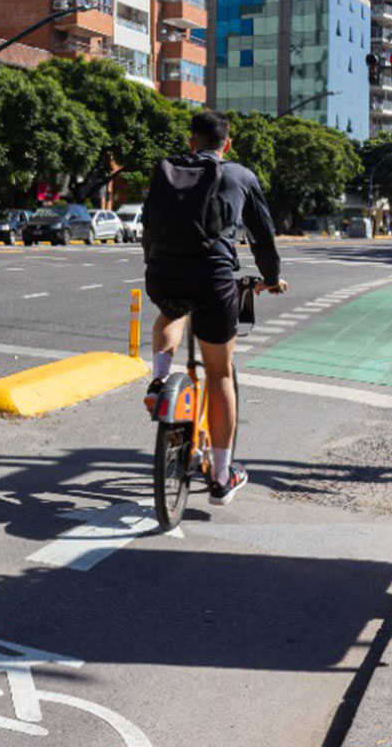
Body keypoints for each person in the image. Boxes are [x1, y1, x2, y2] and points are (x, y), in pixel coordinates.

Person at [141, 110, 288, 505]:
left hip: (163, 272)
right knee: (220, 375)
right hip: (214, 278)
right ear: (228, 143)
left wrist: (156, 263)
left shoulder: (166, 170)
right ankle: (222, 477)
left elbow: (149, 225)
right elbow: (263, 237)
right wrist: (271, 279)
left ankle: (158, 380)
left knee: (170, 313)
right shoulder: (241, 176)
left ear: (192, 141)